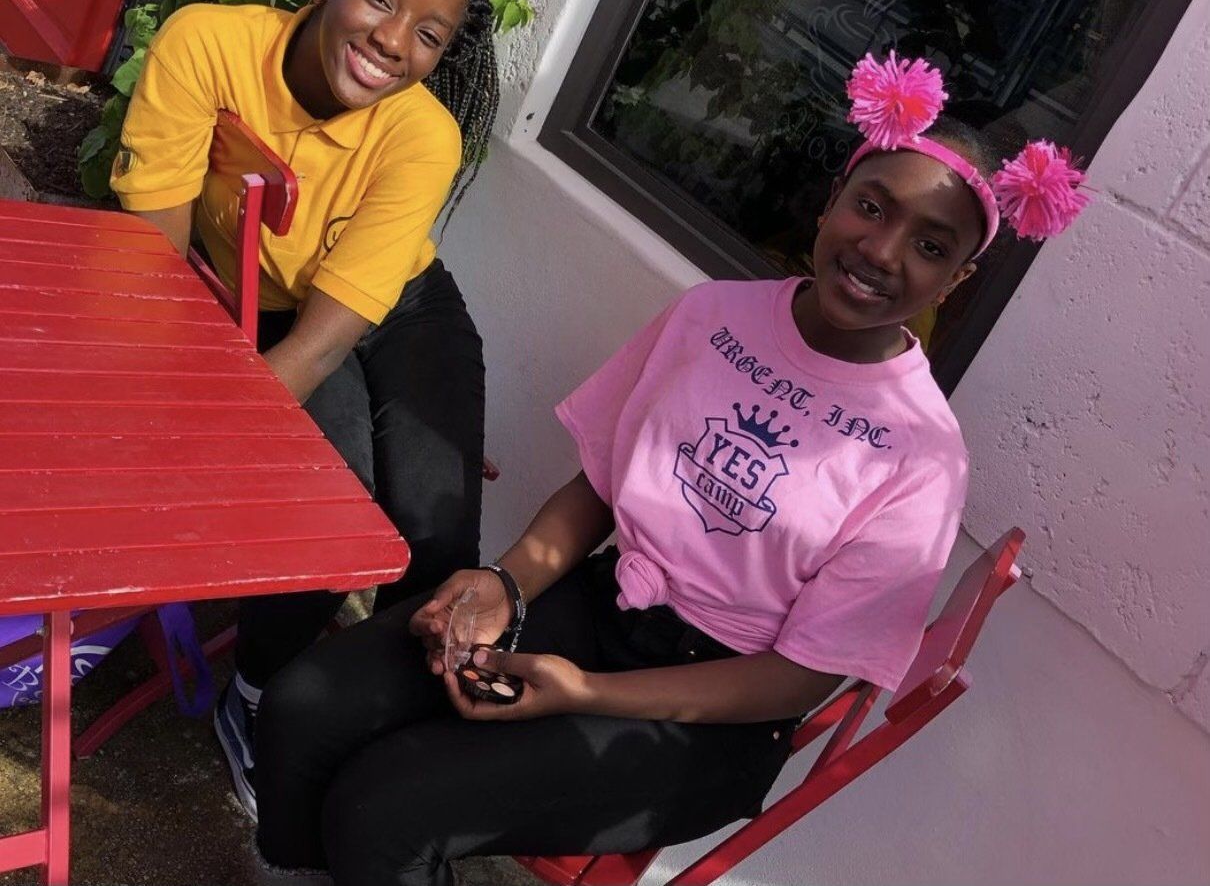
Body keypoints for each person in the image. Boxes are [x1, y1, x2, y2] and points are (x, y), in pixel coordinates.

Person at [250, 53, 1088, 886]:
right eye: (871, 206)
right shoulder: (713, 315)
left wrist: (584, 694)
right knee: (306, 705)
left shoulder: (921, 454)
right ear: (834, 197)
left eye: (930, 245)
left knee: (386, 809)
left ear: (956, 279)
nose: (881, 249)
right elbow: (599, 488)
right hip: (603, 608)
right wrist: (505, 584)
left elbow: (799, 678)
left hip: (712, 717)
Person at [109, 0, 501, 821]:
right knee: (327, 509)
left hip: (393, 301)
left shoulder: (423, 135)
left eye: (430, 34)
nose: (394, 41)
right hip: (263, 305)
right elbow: (150, 264)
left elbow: (329, 341)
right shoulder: (208, 45)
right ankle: (259, 692)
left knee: (436, 536)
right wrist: (176, 429)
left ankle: (370, 724)